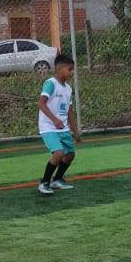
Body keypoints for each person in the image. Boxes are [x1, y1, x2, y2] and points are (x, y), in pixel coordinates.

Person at [36, 52, 79, 195]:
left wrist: (75, 132)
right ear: (59, 69)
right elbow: (41, 103)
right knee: (59, 153)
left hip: (63, 128)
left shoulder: (68, 89)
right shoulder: (51, 84)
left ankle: (57, 179)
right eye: (69, 69)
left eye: (73, 69)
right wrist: (54, 120)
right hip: (48, 127)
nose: (72, 72)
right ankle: (44, 182)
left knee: (70, 154)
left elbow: (69, 111)